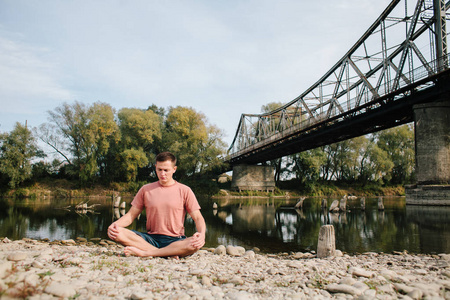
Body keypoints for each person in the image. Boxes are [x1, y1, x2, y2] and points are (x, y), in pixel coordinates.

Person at [107, 152, 206, 258]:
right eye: (159, 170)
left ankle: (146, 253)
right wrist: (115, 225)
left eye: (166, 170)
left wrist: (202, 235)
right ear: (155, 168)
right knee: (117, 233)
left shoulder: (185, 190)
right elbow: (131, 216)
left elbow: (198, 218)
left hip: (175, 240)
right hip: (150, 239)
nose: (162, 174)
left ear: (174, 169)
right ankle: (167, 253)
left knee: (194, 243)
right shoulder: (146, 189)